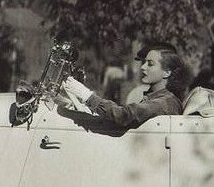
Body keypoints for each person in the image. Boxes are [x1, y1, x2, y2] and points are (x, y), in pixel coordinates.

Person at [62, 44, 190, 128]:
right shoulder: (160, 98)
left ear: (167, 72)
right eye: (144, 63)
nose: (143, 67)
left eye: (150, 64)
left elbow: (123, 115)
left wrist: (87, 95)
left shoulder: (164, 103)